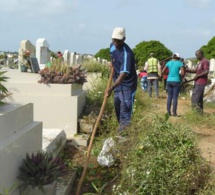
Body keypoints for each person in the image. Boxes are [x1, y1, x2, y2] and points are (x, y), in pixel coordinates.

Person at [106, 27, 137, 133]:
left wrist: (111, 88)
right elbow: (112, 56)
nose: (115, 42)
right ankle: (122, 130)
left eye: (118, 40)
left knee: (125, 110)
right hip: (117, 84)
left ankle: (123, 137)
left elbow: (123, 74)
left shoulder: (127, 54)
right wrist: (112, 63)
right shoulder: (112, 46)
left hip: (127, 85)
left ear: (124, 39)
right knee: (117, 107)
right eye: (114, 40)